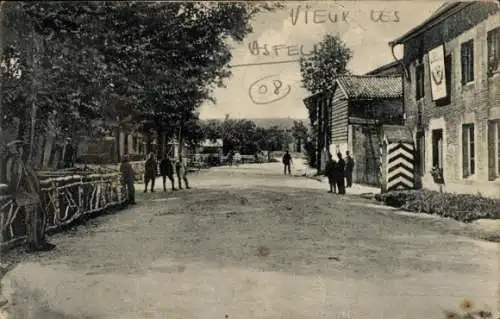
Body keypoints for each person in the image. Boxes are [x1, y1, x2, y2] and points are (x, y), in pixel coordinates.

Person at [1, 140, 56, 252]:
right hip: (21, 193)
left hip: (28, 192)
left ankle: (39, 240)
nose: (22, 150)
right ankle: (34, 243)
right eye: (19, 148)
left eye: (21, 148)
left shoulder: (19, 161)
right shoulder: (13, 161)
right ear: (14, 149)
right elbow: (13, 180)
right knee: (33, 213)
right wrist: (18, 192)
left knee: (38, 212)